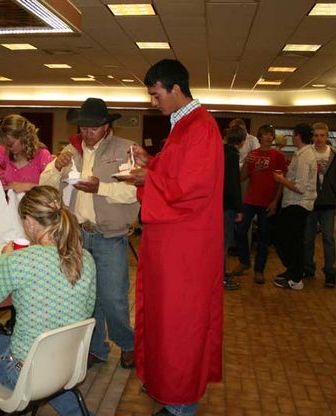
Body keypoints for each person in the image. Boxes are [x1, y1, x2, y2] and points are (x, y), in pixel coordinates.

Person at [126, 59, 223, 416]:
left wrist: (145, 180)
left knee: (180, 325)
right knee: (165, 321)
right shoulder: (184, 125)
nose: (153, 102)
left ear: (176, 89)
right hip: (173, 244)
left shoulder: (200, 127)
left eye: (156, 95)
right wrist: (150, 162)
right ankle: (169, 388)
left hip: (185, 248)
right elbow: (177, 175)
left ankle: (181, 404)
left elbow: (192, 189)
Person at [0, 186, 96, 415]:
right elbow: (86, 310)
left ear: (29, 222)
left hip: (23, 372)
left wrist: (4, 260)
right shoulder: (86, 259)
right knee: (46, 370)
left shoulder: (19, 261)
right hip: (67, 365)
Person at [39, 97, 140, 369]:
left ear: (107, 126)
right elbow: (46, 187)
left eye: (93, 127)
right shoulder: (69, 153)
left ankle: (128, 344)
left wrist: (101, 189)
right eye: (83, 127)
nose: (87, 132)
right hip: (77, 236)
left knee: (113, 297)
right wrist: (56, 167)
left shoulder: (125, 150)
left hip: (109, 236)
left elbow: (134, 193)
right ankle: (97, 347)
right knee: (86, 297)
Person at [233, 124, 287, 284]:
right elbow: (242, 178)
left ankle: (259, 270)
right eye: (265, 134)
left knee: (264, 237)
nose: (269, 137)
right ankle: (244, 262)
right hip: (250, 200)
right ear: (259, 137)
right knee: (241, 230)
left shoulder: (278, 156)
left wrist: (275, 201)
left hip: (267, 201)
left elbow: (281, 181)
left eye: (271, 134)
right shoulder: (252, 154)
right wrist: (245, 163)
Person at [273, 123, 317, 290]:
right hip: (292, 202)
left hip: (299, 204)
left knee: (291, 241)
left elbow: (300, 187)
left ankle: (296, 277)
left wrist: (281, 179)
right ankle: (292, 270)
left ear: (297, 135)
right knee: (287, 239)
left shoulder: (306, 157)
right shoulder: (301, 154)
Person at [302, 122, 336, 288]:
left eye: (322, 135)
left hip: (328, 202)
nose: (319, 138)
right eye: (316, 135)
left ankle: (330, 272)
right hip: (310, 202)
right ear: (312, 136)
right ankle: (307, 268)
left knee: (328, 238)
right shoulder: (307, 153)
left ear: (327, 136)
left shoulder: (335, 154)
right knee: (308, 238)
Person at [0, 114, 53, 191]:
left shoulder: (42, 155)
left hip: (32, 205)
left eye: (11, 143)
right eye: (5, 144)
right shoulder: (4, 151)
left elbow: (52, 188)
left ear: (24, 137)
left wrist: (28, 187)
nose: (9, 147)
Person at [223, 125, 245, 290]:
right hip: (227, 206)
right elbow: (233, 185)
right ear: (243, 141)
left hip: (216, 204)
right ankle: (221, 277)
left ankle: (220, 274)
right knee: (223, 243)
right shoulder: (232, 155)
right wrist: (239, 208)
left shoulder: (221, 151)